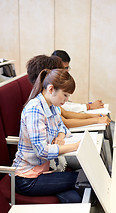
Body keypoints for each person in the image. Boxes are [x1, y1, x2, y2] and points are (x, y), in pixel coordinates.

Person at [12, 68, 81, 203]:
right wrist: (75, 147)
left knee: (75, 197)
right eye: (65, 95)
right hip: (28, 178)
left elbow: (62, 126)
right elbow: (42, 151)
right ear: (51, 89)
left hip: (45, 169)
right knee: (82, 179)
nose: (66, 100)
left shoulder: (52, 105)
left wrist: (60, 136)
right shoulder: (35, 110)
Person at [26, 54, 110, 128]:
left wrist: (93, 116)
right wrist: (96, 120)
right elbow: (65, 122)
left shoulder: (50, 99)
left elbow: (65, 114)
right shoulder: (40, 103)